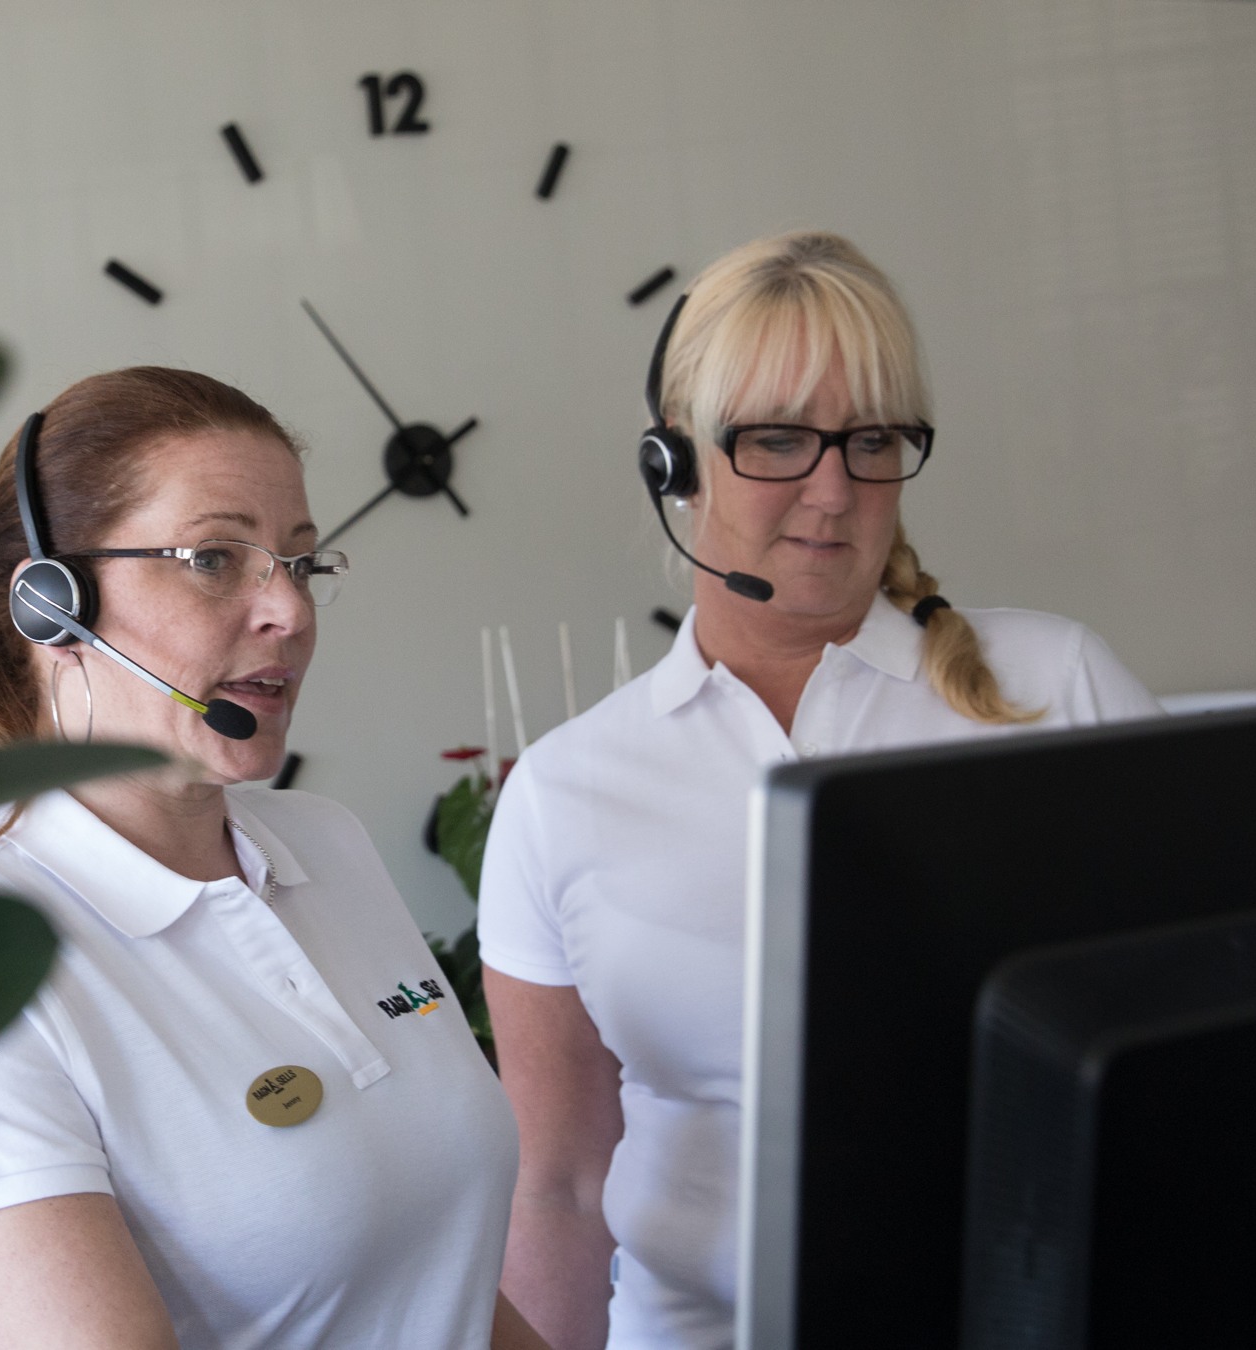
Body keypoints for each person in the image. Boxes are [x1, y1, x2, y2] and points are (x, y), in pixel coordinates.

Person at [477, 232, 1162, 1350]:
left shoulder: (1058, 684)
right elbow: (558, 1187)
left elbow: (1200, 1046)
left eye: (873, 440)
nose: (834, 492)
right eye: (779, 440)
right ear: (675, 464)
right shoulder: (566, 790)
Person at [0, 367, 544, 1350]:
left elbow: (445, 1287)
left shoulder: (325, 843)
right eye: (214, 558)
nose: (289, 611)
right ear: (53, 606)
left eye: (300, 562)